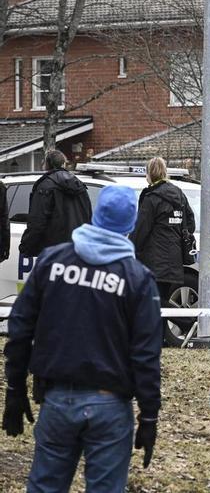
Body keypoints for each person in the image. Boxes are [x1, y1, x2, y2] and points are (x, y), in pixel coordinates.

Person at [2, 185, 163, 491]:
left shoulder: (51, 261)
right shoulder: (137, 278)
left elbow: (20, 325)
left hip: (57, 399)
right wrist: (149, 414)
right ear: (130, 225)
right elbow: (146, 354)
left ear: (94, 215)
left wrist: (15, 386)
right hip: (110, 404)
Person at [130, 157, 196, 340]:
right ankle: (158, 339)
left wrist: (130, 249)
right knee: (161, 297)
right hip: (174, 256)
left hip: (153, 258)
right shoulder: (179, 194)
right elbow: (190, 223)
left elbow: (141, 228)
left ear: (149, 173)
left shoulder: (151, 198)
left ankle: (188, 321)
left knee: (153, 300)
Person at [20, 150, 92, 257]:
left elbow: (37, 221)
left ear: (47, 164)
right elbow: (88, 216)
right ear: (63, 164)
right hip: (77, 249)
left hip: (52, 250)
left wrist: (26, 246)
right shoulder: (79, 185)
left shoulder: (45, 186)